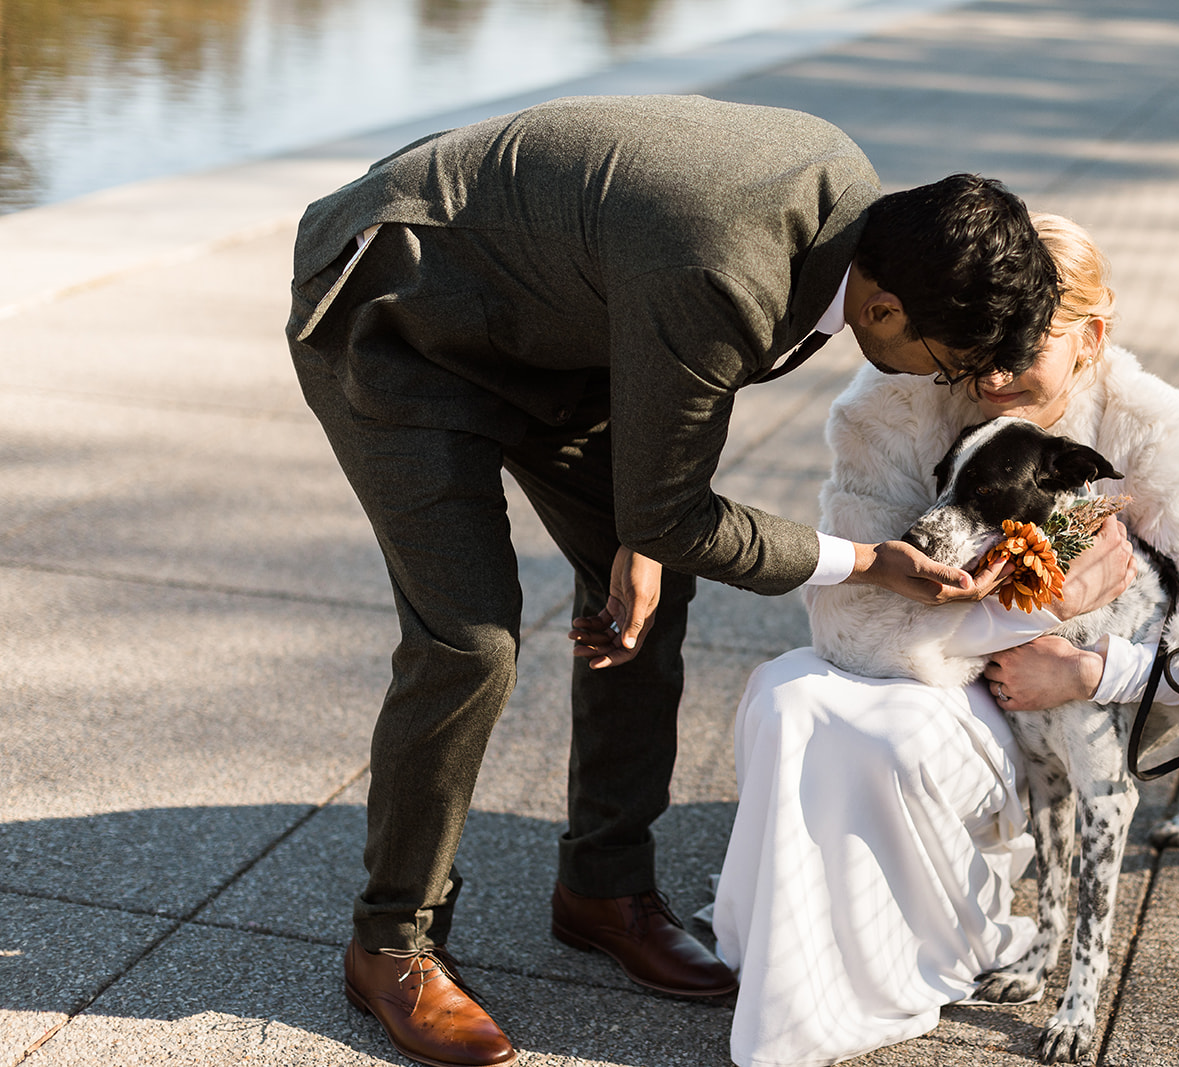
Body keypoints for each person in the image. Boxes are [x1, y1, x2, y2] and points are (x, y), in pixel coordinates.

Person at [285, 92, 1094, 1067]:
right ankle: (390, 944)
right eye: (945, 362)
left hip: (561, 340)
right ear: (882, 308)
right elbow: (681, 475)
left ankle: (602, 885)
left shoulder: (853, 212)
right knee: (471, 640)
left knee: (651, 595)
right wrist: (869, 562)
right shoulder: (726, 261)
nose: (942, 383)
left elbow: (677, 398)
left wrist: (645, 534)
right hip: (399, 318)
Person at [711, 212, 1179, 1067]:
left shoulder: (1152, 435)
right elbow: (846, 624)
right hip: (933, 670)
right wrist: (1033, 613)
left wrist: (1098, 669)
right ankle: (796, 958)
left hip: (1040, 715)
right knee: (787, 692)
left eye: (1023, 344)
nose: (987, 368)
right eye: (982, 335)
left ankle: (896, 950)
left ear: (1090, 339)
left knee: (872, 735)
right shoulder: (895, 405)